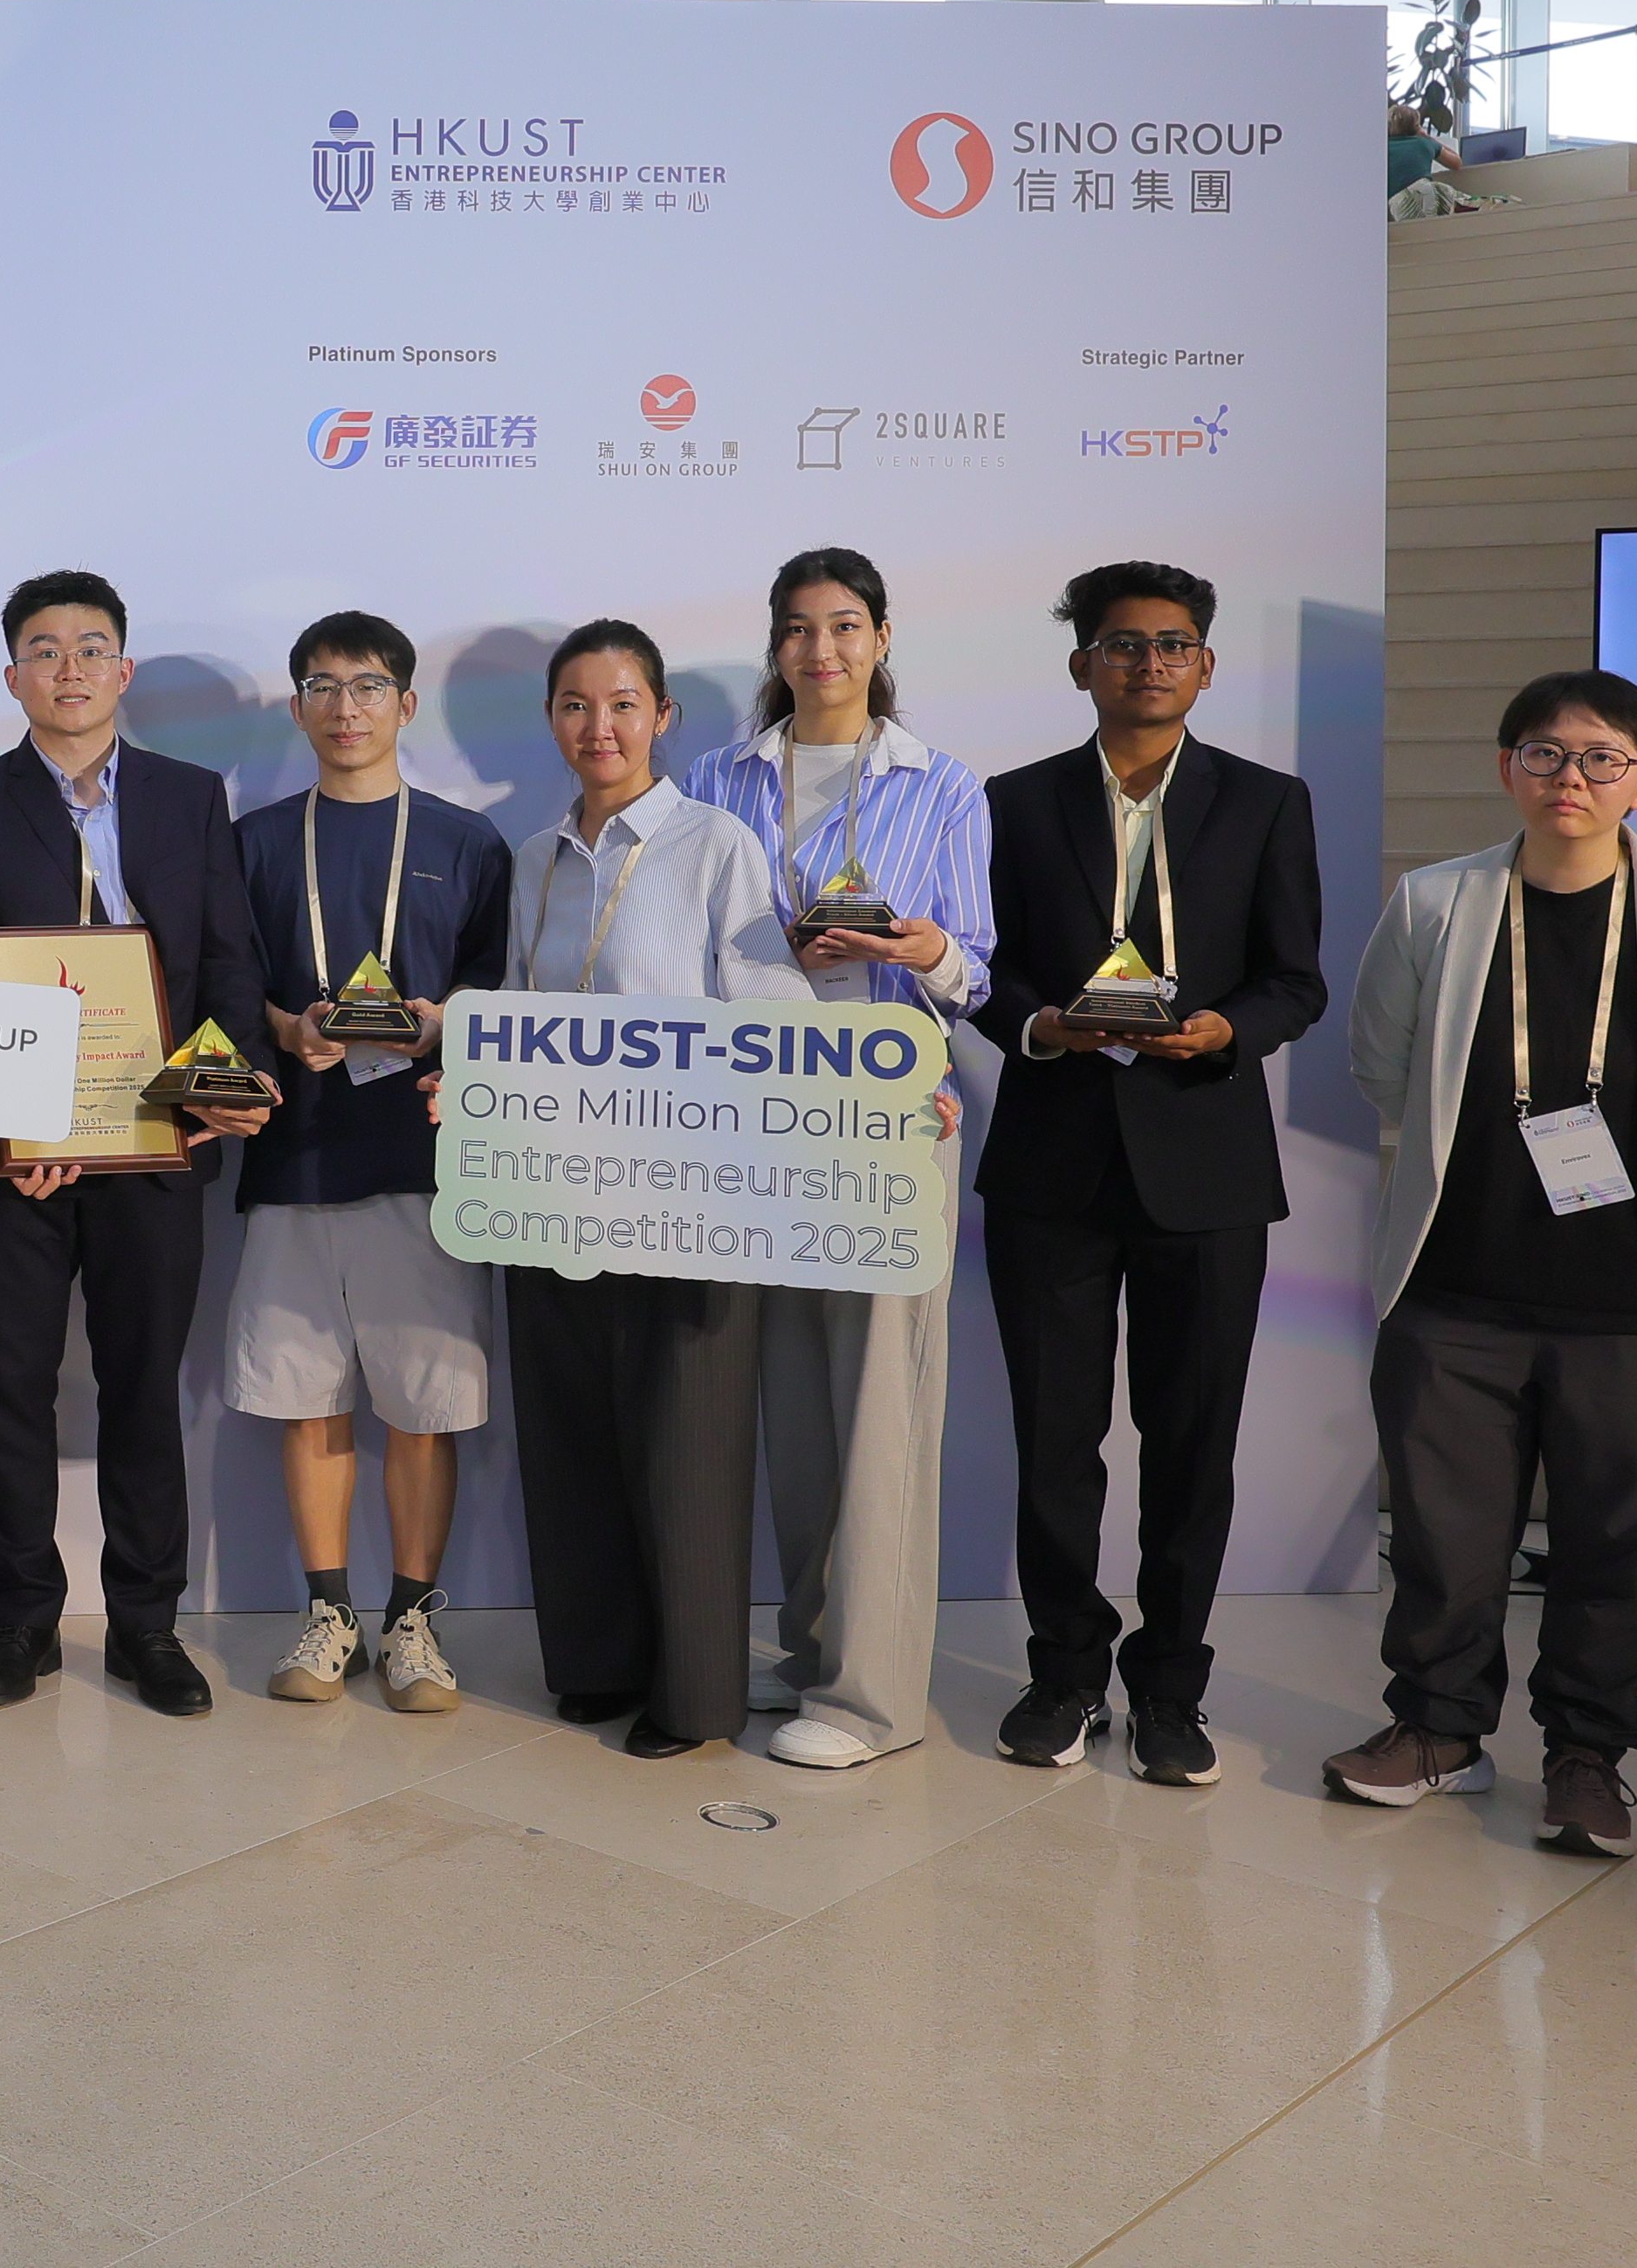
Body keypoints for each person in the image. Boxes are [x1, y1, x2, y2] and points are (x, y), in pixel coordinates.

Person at [1321, 672, 1637, 1857]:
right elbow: (1380, 1064)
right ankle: (1436, 1731)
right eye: (1544, 754)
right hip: (1459, 1293)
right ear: (1507, 770)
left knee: (1622, 1550)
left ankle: (1588, 1758)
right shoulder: (1436, 904)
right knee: (1442, 1536)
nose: (1570, 778)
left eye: (1599, 758)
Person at [976, 561, 1328, 1785]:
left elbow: (1297, 978)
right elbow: (989, 972)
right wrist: (1042, 1026)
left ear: (1207, 665)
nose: (1148, 664)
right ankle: (1065, 1672)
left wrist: (1230, 1028)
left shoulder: (1265, 803)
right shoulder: (1013, 804)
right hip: (1052, 1165)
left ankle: (1171, 1687)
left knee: (1192, 1443)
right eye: (1122, 646)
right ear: (1083, 665)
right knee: (1056, 1440)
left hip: (1208, 1167)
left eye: (1173, 644)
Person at [0, 570, 275, 1719]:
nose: (68, 669)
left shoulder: (187, 797)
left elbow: (225, 957)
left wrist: (218, 1080)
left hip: (160, 1137)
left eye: (91, 649)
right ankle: (22, 1622)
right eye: (44, 649)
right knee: (13, 1386)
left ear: (123, 671)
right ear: (15, 675)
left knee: (142, 1386)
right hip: (18, 1162)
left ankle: (147, 1626)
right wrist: (10, 1126)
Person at [678, 549, 991, 1769]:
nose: (823, 651)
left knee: (879, 1401)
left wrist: (919, 952)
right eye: (801, 630)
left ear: (883, 637)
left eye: (846, 627)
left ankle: (872, 1701)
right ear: (774, 645)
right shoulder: (716, 777)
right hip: (755, 1113)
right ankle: (811, 1655)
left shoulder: (942, 785)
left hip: (886, 1113)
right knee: (795, 1396)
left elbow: (978, 973)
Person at [499, 619, 812, 1760]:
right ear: (552, 721)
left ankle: (692, 1698)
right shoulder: (531, 860)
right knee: (571, 1432)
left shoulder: (716, 845)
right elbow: (508, 1024)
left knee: (688, 1444)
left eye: (624, 703)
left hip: (691, 1200)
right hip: (547, 1196)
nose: (601, 727)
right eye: (577, 705)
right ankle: (593, 1665)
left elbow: (774, 1029)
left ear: (664, 717)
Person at [229, 613, 515, 1715]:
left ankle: (414, 1620)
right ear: (297, 705)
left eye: (369, 684)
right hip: (296, 1154)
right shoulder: (253, 841)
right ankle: (328, 1609)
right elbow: (229, 980)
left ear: (405, 704)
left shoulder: (466, 842)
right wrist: (284, 1028)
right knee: (309, 1398)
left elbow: (503, 1000)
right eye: (322, 684)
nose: (346, 705)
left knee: (424, 1403)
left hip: (423, 1160)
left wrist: (443, 1023)